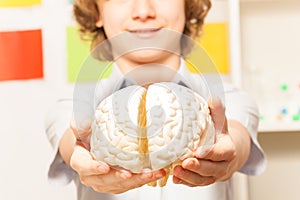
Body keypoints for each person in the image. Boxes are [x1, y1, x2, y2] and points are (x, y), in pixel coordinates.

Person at [45, 0, 266, 200]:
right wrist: (80, 150)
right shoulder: (75, 104)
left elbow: (236, 139)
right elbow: (70, 141)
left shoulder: (228, 100)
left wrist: (225, 158)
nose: (143, 11)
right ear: (96, 12)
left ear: (187, 5)